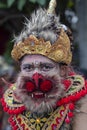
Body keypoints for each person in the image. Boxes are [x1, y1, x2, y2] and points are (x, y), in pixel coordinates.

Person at [1, 0, 87, 130]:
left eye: (46, 67)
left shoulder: (81, 104)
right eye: (28, 68)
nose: (36, 76)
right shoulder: (13, 102)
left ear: (63, 71)